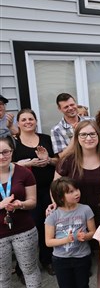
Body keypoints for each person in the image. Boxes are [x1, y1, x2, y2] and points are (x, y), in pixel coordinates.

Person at [51, 120, 100, 288]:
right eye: (83, 135)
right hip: (74, 218)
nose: (88, 138)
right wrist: (57, 206)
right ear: (77, 138)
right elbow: (55, 188)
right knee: (76, 262)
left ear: (98, 135)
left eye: (92, 134)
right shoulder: (68, 161)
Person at [0, 136, 42, 288]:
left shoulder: (24, 173)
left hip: (24, 230)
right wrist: (2, 205)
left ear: (12, 152)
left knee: (30, 269)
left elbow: (33, 202)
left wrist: (20, 205)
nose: (2, 156)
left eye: (5, 152)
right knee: (1, 276)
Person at [13, 109, 58, 275]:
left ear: (36, 121)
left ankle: (47, 260)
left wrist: (48, 160)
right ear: (18, 123)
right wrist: (27, 164)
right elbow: (7, 165)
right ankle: (23, 268)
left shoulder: (45, 139)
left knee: (48, 223)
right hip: (26, 192)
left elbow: (57, 161)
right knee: (29, 228)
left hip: (47, 189)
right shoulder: (14, 142)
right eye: (23, 119)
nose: (27, 122)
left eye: (30, 119)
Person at [45, 177, 96, 288]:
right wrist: (66, 239)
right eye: (70, 192)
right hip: (61, 260)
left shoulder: (85, 209)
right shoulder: (53, 215)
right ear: (60, 197)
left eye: (76, 189)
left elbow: (93, 232)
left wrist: (85, 237)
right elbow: (48, 242)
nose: (76, 193)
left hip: (82, 257)